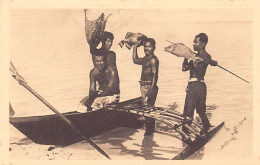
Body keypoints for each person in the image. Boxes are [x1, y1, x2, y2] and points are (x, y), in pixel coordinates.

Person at [182, 33, 217, 137]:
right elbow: (184, 69)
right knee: (193, 111)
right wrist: (186, 56)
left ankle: (186, 133)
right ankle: (204, 127)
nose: (193, 44)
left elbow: (204, 62)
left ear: (203, 43)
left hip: (198, 85)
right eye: (193, 41)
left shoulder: (206, 56)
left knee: (197, 111)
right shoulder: (194, 56)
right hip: (193, 85)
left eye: (196, 42)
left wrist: (211, 61)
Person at [132, 38, 159, 136]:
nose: (146, 48)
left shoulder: (153, 59)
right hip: (143, 86)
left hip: (150, 86)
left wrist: (151, 89)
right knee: (146, 107)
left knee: (148, 108)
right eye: (145, 46)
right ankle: (149, 127)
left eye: (149, 46)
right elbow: (135, 60)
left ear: (154, 48)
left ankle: (150, 129)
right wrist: (135, 46)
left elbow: (155, 76)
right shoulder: (144, 59)